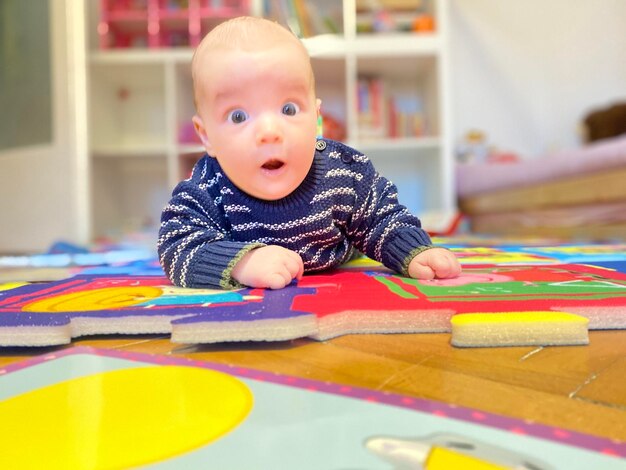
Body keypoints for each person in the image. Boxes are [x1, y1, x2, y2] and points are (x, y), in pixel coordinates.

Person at [158, 16, 461, 290]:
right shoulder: (207, 188)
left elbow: (381, 217)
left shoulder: (344, 173)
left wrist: (415, 251)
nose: (269, 132)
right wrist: (242, 263)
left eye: (288, 109)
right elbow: (176, 245)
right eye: (238, 116)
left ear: (316, 120)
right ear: (207, 136)